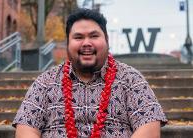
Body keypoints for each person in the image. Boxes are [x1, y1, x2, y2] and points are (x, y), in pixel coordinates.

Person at [13, 8, 167, 138]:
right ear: (68, 43)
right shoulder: (46, 82)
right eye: (78, 37)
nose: (87, 43)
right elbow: (26, 128)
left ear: (106, 40)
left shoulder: (131, 79)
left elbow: (150, 125)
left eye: (94, 36)